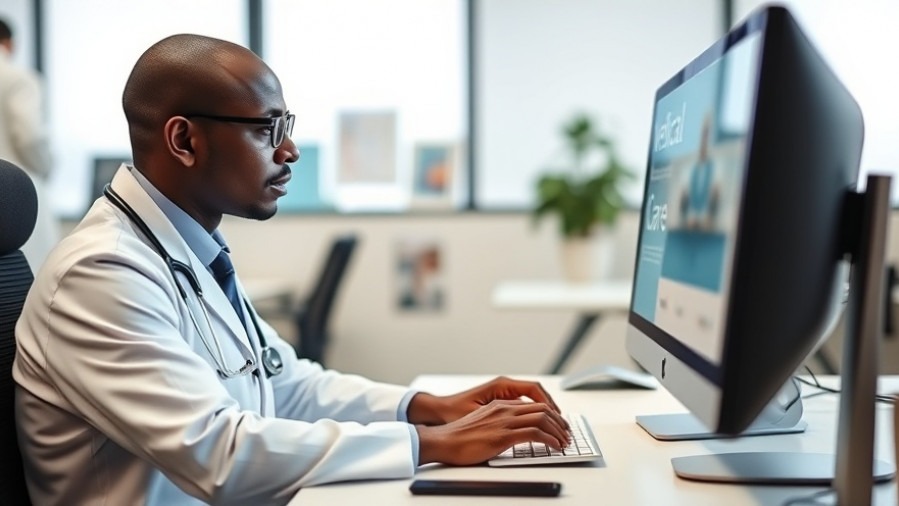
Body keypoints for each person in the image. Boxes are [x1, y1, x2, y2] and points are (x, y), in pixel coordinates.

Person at [13, 34, 570, 505]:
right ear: (184, 140)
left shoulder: (187, 248)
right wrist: (433, 443)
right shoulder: (102, 272)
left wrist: (428, 409)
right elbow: (218, 452)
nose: (291, 151)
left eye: (287, 125)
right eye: (267, 129)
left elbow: (285, 382)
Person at [0, 17, 59, 272]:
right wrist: (47, 168)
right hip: (15, 196)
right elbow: (31, 137)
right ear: (10, 43)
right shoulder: (18, 79)